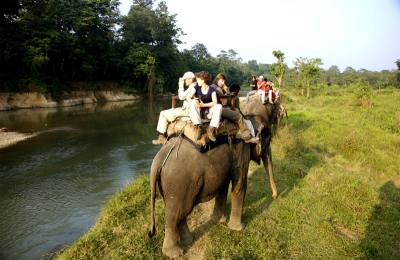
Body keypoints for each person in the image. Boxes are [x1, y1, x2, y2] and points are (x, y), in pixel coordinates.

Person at [152, 71, 200, 145]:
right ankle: (162, 136)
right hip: (190, 109)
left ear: (190, 79)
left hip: (188, 110)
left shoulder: (193, 86)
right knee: (166, 112)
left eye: (185, 79)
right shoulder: (195, 86)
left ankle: (162, 137)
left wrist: (180, 85)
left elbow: (181, 97)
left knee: (163, 113)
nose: (184, 81)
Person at [212, 73, 258, 143]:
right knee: (239, 116)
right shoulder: (216, 88)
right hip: (220, 108)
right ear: (218, 80)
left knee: (236, 111)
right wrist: (228, 93)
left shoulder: (214, 87)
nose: (223, 83)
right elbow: (224, 100)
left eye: (224, 81)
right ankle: (247, 137)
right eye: (222, 81)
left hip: (219, 107)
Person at [193, 71, 222, 142]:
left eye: (198, 79)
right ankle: (199, 127)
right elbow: (191, 94)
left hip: (209, 111)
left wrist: (203, 105)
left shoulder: (212, 90)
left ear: (203, 80)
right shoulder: (197, 87)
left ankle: (211, 129)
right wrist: (195, 97)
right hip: (199, 110)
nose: (197, 81)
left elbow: (215, 102)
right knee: (193, 103)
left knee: (218, 106)